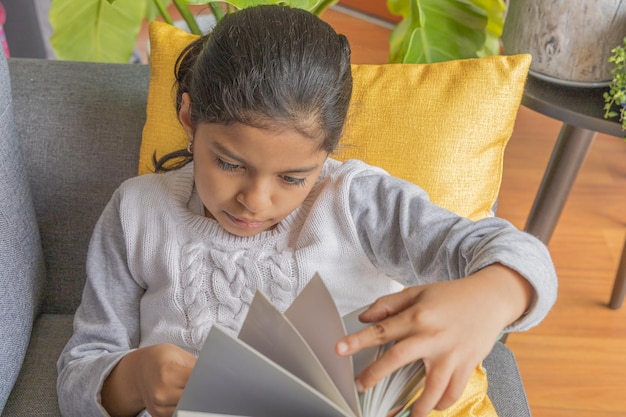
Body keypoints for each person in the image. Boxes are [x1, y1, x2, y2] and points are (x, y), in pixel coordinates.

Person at [57, 5, 557, 417]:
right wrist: (135, 378)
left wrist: (495, 293)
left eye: (293, 178)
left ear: (328, 152)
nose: (255, 199)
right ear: (189, 118)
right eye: (229, 163)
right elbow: (79, 372)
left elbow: (521, 256)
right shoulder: (137, 211)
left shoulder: (357, 202)